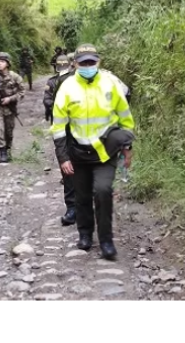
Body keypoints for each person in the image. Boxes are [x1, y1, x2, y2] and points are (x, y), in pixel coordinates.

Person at [51, 43, 135, 260]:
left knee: (103, 191)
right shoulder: (67, 88)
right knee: (82, 195)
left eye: (91, 62)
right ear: (75, 64)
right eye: (83, 62)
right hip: (78, 152)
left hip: (105, 152)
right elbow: (58, 125)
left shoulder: (110, 84)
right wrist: (63, 157)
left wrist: (127, 147)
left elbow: (125, 118)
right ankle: (85, 234)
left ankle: (106, 240)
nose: (88, 65)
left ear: (98, 62)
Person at [42, 55, 76, 226]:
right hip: (64, 126)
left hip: (87, 131)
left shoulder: (81, 81)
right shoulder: (54, 82)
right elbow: (47, 100)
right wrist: (57, 106)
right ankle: (72, 207)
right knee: (67, 168)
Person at [0, 52, 25, 163]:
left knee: (9, 131)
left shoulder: (15, 77)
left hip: (10, 108)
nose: (0, 64)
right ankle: (2, 152)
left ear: (8, 63)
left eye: (2, 61)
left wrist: (10, 98)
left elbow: (22, 92)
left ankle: (8, 149)